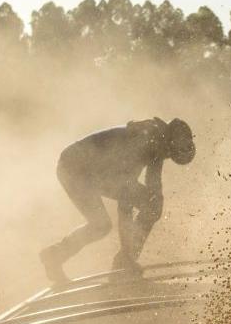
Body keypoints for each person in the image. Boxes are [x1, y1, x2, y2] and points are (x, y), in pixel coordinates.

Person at [40, 117, 195, 283]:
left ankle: (55, 255)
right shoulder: (144, 142)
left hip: (82, 168)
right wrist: (126, 258)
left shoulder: (158, 141)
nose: (166, 157)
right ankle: (122, 263)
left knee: (106, 223)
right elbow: (125, 203)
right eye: (169, 153)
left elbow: (154, 190)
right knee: (102, 224)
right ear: (168, 143)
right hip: (75, 168)